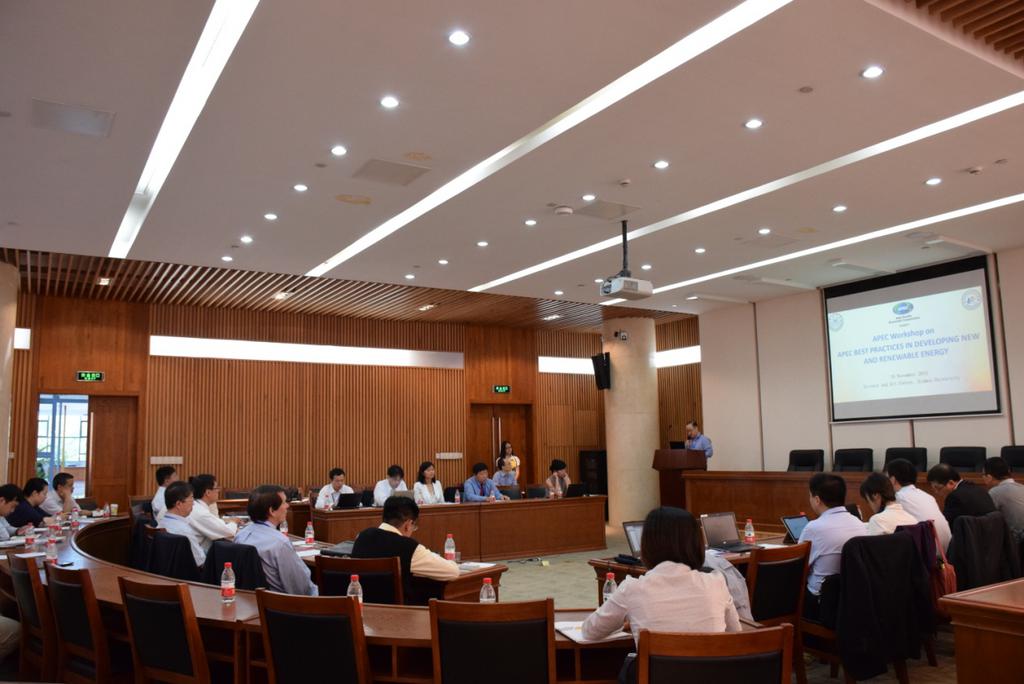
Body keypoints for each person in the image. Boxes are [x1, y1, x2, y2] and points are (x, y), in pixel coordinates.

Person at [582, 507, 739, 683]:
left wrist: (624, 621)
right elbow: (735, 634)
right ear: (696, 544)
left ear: (647, 546)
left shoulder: (633, 588)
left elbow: (589, 631)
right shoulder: (716, 582)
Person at [351, 496, 459, 602]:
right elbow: (453, 572)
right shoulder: (409, 547)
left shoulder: (361, 537)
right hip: (398, 611)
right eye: (414, 527)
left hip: (361, 608)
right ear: (408, 524)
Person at [798, 473, 866, 616]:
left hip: (822, 603)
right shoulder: (860, 523)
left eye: (810, 496)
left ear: (817, 500)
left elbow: (799, 568)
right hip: (854, 599)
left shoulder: (814, 528)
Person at [234, 485, 317, 596]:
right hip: (280, 602)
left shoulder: (240, 535)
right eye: (284, 502)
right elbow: (301, 588)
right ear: (272, 511)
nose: (287, 506)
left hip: (247, 600)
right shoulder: (280, 543)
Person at [885, 458, 951, 551]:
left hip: (930, 553)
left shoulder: (898, 498)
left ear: (892, 480)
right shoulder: (927, 496)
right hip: (947, 550)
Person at [927, 463, 996, 526]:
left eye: (938, 488)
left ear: (951, 483)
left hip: (973, 534)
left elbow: (946, 525)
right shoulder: (979, 489)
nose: (936, 492)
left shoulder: (955, 497)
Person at [159, 481, 206, 567]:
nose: (193, 503)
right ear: (179, 504)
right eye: (191, 499)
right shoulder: (184, 531)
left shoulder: (161, 523)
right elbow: (200, 561)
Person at [188, 474, 238, 550]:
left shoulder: (197, 506)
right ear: (208, 492)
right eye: (216, 488)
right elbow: (228, 532)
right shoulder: (201, 513)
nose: (218, 491)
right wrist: (234, 522)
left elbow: (216, 524)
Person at [983, 456, 1024, 539]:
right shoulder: (1022, 487)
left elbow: (985, 518)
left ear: (989, 477)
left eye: (983, 475)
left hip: (1016, 541)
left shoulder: (995, 491)